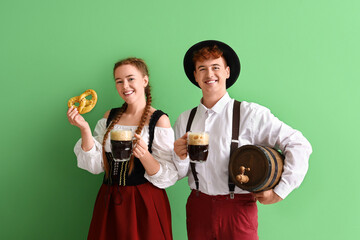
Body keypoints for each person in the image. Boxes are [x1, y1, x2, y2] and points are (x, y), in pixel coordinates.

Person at [173, 40, 312, 240]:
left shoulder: (250, 113)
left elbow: (299, 144)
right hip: (198, 208)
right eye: (202, 69)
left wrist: (279, 192)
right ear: (195, 76)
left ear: (227, 72)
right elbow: (180, 173)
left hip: (237, 209)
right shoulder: (185, 119)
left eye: (215, 67)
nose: (209, 74)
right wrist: (179, 157)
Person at [67, 57, 177, 240]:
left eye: (130, 78)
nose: (125, 85)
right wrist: (84, 129)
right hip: (109, 199)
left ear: (144, 80)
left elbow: (168, 177)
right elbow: (95, 166)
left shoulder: (158, 120)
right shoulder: (110, 117)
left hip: (145, 203)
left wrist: (144, 155)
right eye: (119, 81)